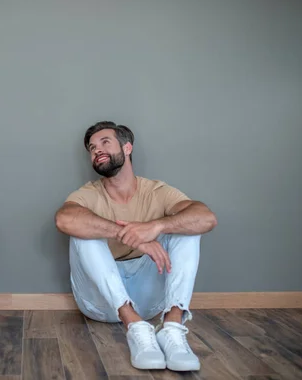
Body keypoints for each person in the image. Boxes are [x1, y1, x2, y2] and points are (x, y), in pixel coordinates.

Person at [55, 121, 217, 372]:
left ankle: (172, 328)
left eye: (105, 142)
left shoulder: (157, 191)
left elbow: (206, 218)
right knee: (81, 230)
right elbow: (64, 219)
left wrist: (157, 226)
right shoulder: (88, 193)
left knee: (186, 226)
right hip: (101, 302)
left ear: (127, 147)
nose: (96, 150)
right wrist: (131, 235)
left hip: (149, 301)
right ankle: (135, 327)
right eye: (92, 147)